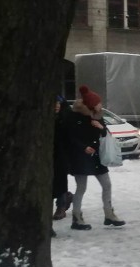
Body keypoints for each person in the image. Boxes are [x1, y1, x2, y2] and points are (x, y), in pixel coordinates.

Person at [66, 85, 125, 230]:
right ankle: (77, 217)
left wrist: (101, 128)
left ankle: (109, 214)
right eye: (98, 103)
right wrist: (83, 147)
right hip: (80, 157)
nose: (101, 105)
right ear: (91, 105)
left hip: (97, 157)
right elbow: (70, 137)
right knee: (81, 187)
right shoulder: (75, 117)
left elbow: (105, 134)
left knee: (107, 185)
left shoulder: (98, 117)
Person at [52, 96, 73, 226]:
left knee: (60, 179)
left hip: (61, 155)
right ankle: (66, 197)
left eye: (58, 103)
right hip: (49, 153)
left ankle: (61, 205)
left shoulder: (65, 117)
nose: (56, 105)